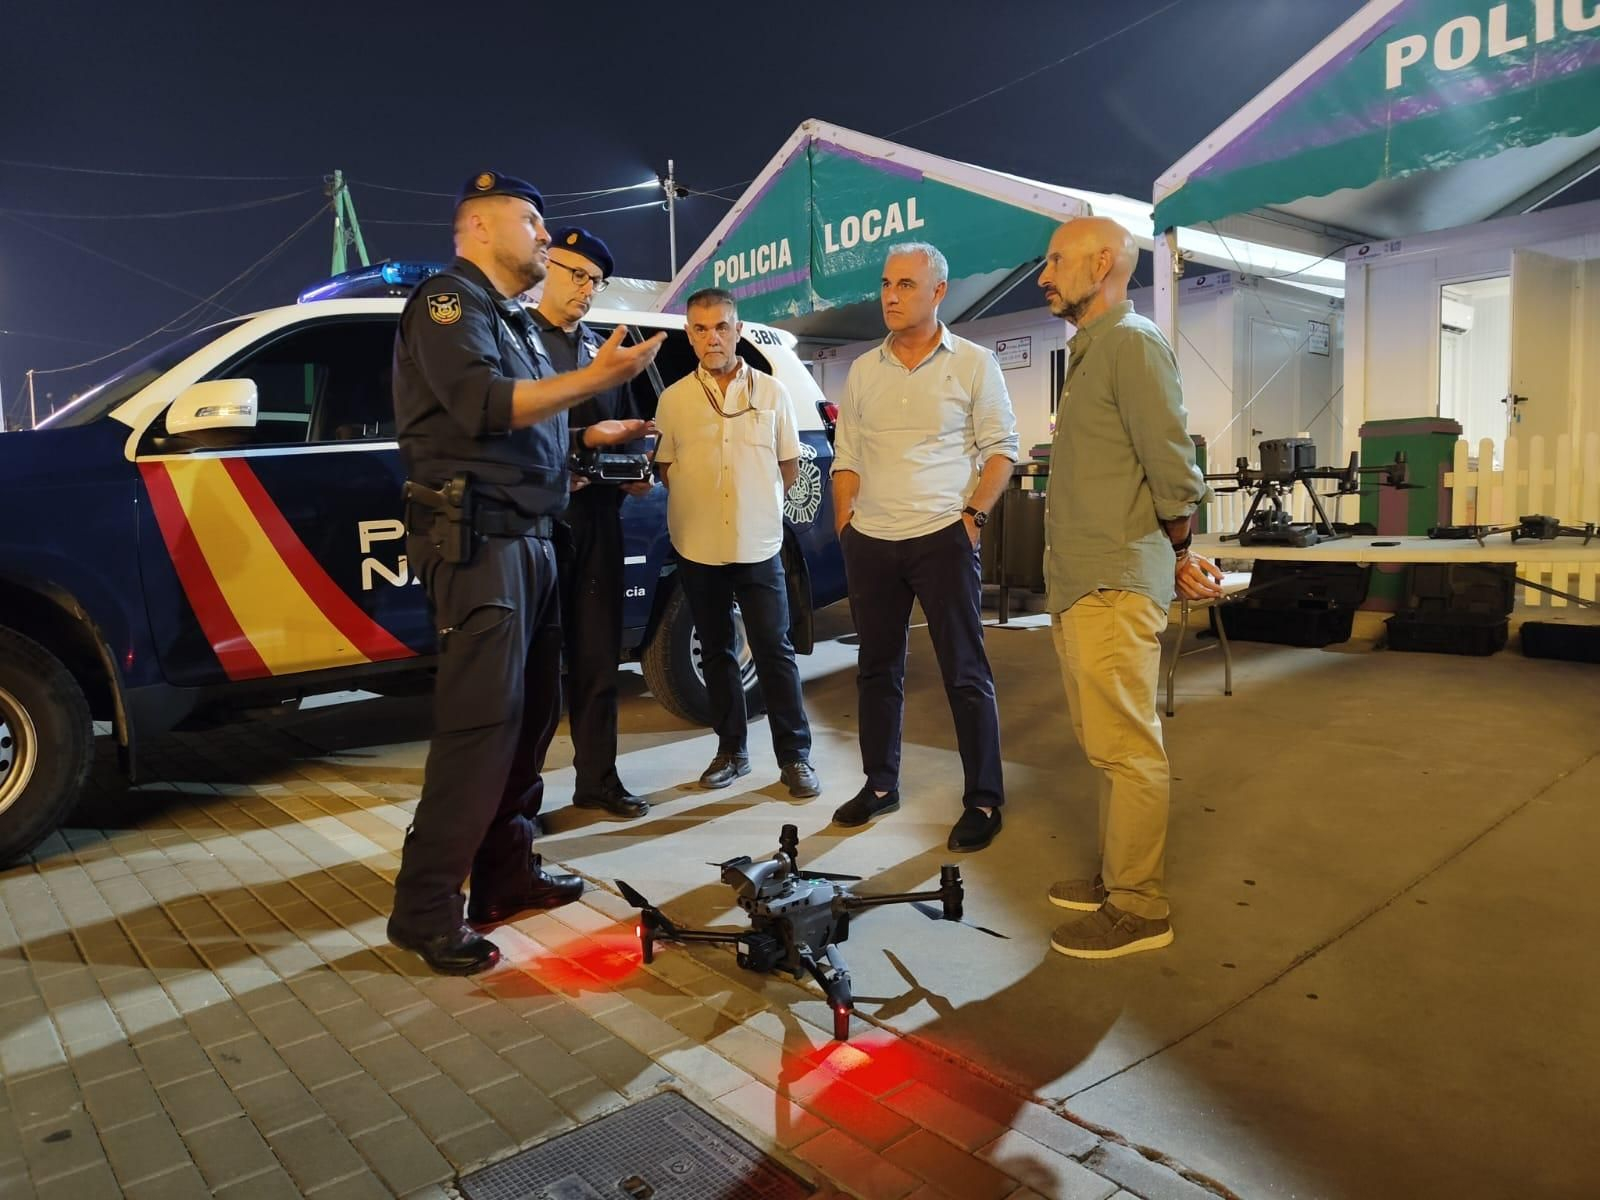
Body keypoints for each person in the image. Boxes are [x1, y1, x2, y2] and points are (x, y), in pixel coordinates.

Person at [387, 171, 663, 975]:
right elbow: (478, 406)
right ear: (476, 226)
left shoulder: (508, 319)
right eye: (532, 220)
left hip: (533, 540)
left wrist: (583, 447)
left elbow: (524, 435)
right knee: (480, 728)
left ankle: (504, 874)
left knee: (532, 719)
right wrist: (594, 381)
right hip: (480, 548)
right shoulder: (448, 303)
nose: (546, 236)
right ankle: (425, 907)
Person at [1035, 215, 1223, 960]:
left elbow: (1171, 462)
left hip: (1113, 579)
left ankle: (1140, 906)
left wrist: (1178, 546)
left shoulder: (1133, 343)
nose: (1044, 276)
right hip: (1083, 580)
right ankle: (1120, 877)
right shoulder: (1092, 351)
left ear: (1103, 261)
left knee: (1129, 747)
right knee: (1106, 744)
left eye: (1056, 261)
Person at [829, 242, 1018, 853]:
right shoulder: (863, 369)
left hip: (943, 535)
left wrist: (972, 517)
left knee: (965, 671)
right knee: (876, 671)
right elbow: (847, 457)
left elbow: (1000, 451)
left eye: (906, 284)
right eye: (886, 284)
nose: (890, 295)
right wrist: (845, 527)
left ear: (939, 292)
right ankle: (880, 785)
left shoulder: (973, 362)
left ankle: (984, 799)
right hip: (872, 541)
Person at [652, 288, 820, 798]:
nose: (712, 338)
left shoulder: (771, 393)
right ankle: (731, 751)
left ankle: (795, 757)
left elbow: (789, 466)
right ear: (690, 335)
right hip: (698, 545)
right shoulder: (674, 399)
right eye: (701, 329)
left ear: (738, 329)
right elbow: (664, 469)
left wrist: (752, 502)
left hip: (759, 544)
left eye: (722, 326)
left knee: (775, 650)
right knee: (718, 653)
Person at [532, 226, 651, 821]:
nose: (586, 289)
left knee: (598, 657)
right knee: (532, 668)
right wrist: (581, 443)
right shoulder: (511, 342)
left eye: (596, 281)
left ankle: (598, 780)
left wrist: (636, 469)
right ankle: (518, 802)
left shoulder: (603, 351)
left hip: (599, 522)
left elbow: (629, 431)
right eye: (575, 273)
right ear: (544, 265)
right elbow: (504, 431)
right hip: (536, 526)